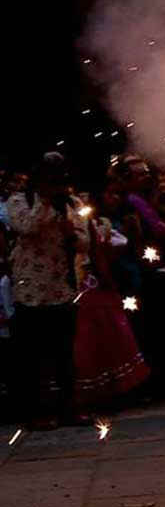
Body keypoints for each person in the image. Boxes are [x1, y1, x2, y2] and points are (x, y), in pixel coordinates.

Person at [5, 152, 88, 429]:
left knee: (64, 355)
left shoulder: (73, 204)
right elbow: (26, 226)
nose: (56, 184)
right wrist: (44, 201)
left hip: (61, 288)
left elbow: (85, 243)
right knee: (31, 357)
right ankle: (34, 413)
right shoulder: (19, 201)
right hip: (30, 291)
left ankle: (69, 409)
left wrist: (70, 234)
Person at [72, 180, 149, 411]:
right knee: (90, 341)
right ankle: (94, 394)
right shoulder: (77, 222)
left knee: (113, 337)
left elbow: (107, 252)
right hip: (82, 288)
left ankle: (115, 390)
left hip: (98, 286)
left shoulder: (103, 225)